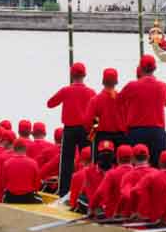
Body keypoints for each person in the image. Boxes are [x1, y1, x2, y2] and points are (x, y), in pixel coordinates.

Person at [47, 62, 96, 197]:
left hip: (69, 129)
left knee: (66, 162)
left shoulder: (66, 90)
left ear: (71, 75)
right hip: (86, 130)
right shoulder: (91, 92)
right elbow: (97, 114)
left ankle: (63, 192)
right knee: (88, 161)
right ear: (84, 75)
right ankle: (88, 191)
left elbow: (50, 104)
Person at [118, 55, 166, 167]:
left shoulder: (132, 86)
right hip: (157, 133)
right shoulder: (163, 86)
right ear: (155, 68)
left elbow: (118, 102)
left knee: (135, 170)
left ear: (141, 68)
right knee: (159, 170)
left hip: (136, 133)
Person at [85, 68, 127, 160]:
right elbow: (127, 120)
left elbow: (89, 122)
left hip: (101, 137)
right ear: (116, 82)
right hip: (120, 138)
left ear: (103, 81)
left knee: (99, 166)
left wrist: (92, 136)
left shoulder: (95, 100)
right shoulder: (123, 100)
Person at [131, 150, 166, 222]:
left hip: (154, 221)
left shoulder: (150, 177)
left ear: (160, 163)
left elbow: (135, 192)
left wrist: (137, 211)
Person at [89, 144, 134, 218]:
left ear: (117, 158)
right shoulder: (139, 173)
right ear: (132, 158)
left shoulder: (112, 173)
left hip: (113, 216)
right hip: (134, 216)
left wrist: (91, 208)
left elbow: (100, 192)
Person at [117, 144, 155, 217]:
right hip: (155, 219)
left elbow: (125, 196)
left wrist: (118, 212)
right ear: (148, 157)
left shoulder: (128, 176)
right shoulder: (156, 173)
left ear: (132, 159)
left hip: (136, 219)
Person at [1, 139, 41, 204]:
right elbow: (37, 184)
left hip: (11, 197)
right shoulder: (33, 163)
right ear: (26, 148)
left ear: (14, 148)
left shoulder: (7, 163)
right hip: (28, 198)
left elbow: (3, 183)